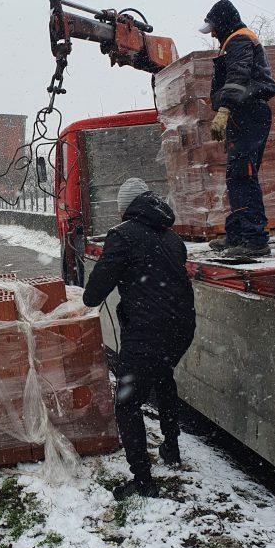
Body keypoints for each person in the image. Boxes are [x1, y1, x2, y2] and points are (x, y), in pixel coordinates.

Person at [82, 178, 195, 499]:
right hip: (181, 328)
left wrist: (112, 268)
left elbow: (92, 296)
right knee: (163, 377)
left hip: (147, 331)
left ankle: (143, 481)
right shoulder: (172, 237)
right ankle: (171, 448)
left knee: (128, 403)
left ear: (125, 210)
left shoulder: (122, 237)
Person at [199, 0, 275, 260]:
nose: (211, 33)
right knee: (236, 175)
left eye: (212, 27)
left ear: (222, 23)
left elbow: (238, 76)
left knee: (243, 174)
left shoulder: (239, 40)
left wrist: (225, 108)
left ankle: (254, 240)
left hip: (249, 112)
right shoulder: (232, 41)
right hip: (242, 114)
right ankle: (238, 235)